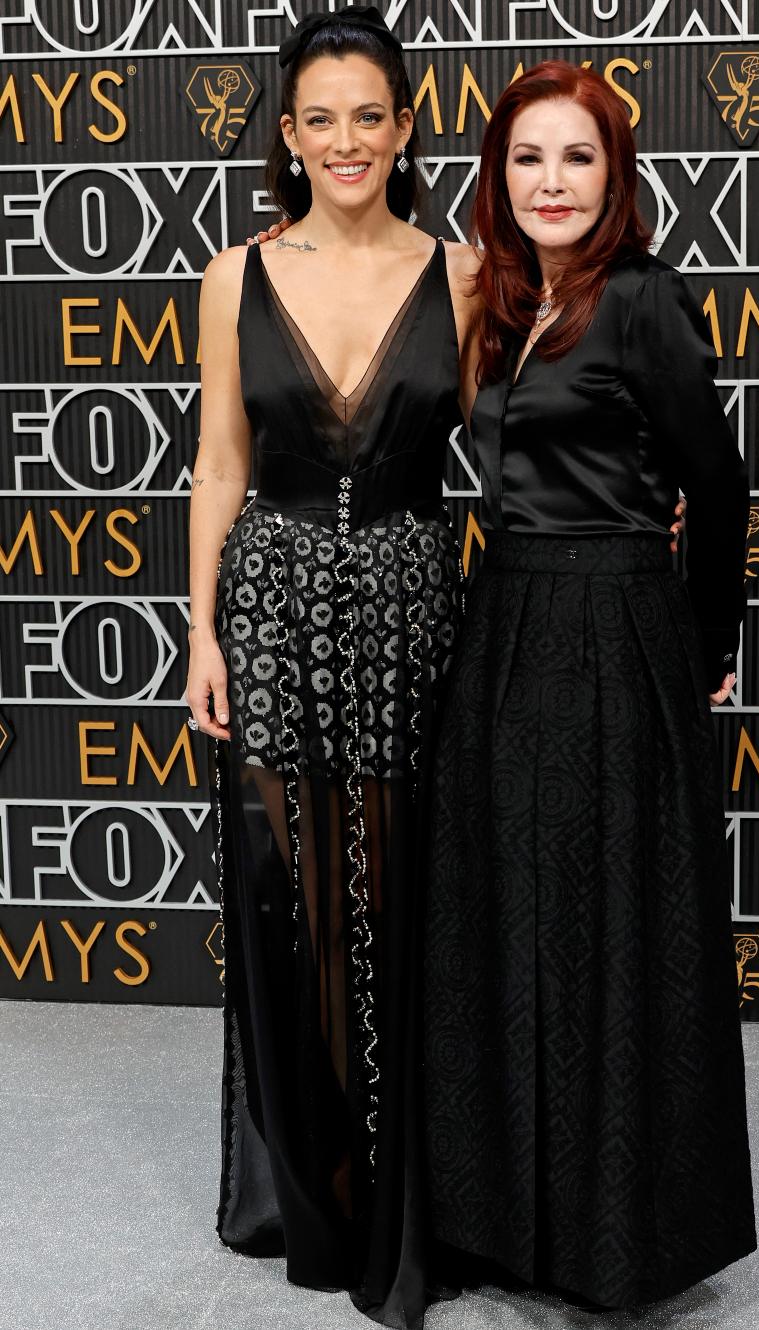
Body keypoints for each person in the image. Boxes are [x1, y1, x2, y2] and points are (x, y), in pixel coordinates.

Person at [423, 61, 757, 1309]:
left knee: (613, 934)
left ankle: (618, 1238)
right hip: (501, 618)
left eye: (575, 157)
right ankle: (500, 1221)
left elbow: (715, 489)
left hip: (619, 625)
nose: (550, 181)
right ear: (495, 177)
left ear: (613, 175)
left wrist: (707, 642)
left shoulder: (643, 299)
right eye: (525, 158)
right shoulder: (497, 301)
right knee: (504, 921)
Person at [184, 9, 480, 1326]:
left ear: (405, 128)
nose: (347, 139)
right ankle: (305, 1182)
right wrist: (201, 629)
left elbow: (525, 448)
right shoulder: (235, 273)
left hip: (419, 600)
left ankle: (414, 1185)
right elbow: (222, 466)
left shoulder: (468, 275)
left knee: (410, 886)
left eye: (372, 114)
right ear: (289, 135)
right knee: (290, 890)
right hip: (276, 599)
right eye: (321, 118)